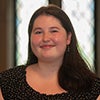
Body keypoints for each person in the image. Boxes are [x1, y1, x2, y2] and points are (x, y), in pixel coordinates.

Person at [0, 4, 100, 100]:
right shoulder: (7, 82)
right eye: (38, 32)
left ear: (68, 38)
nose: (46, 38)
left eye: (54, 31)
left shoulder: (92, 88)